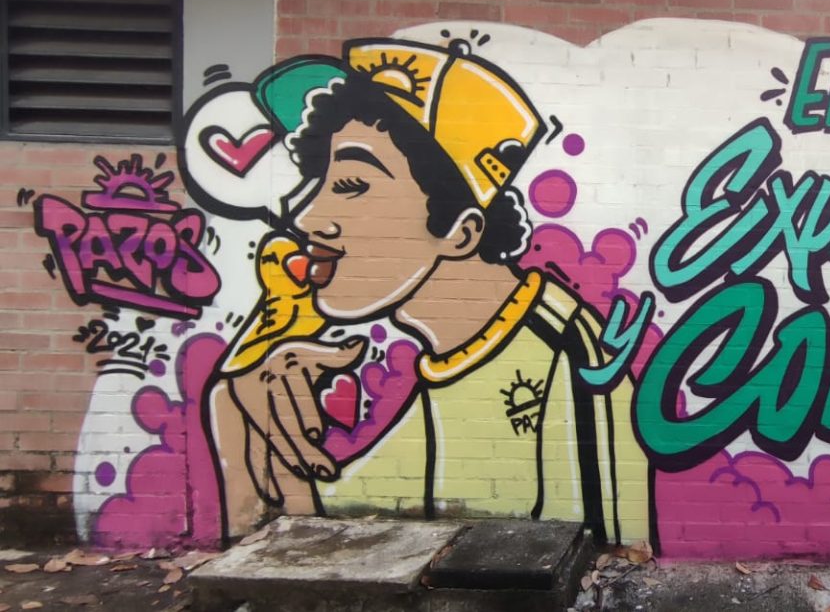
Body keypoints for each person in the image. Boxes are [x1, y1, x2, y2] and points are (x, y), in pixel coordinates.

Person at [204, 38, 649, 545]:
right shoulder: (447, 369)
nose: (307, 218)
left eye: (350, 185)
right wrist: (235, 398)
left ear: (461, 232)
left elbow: (599, 553)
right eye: (320, 182)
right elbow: (308, 536)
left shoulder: (565, 354)